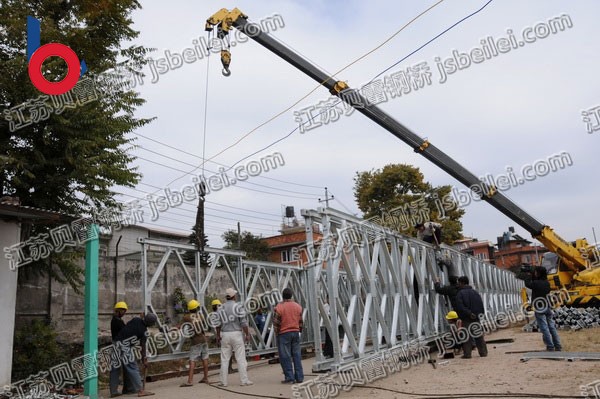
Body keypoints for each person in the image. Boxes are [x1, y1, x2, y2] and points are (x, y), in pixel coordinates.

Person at [114, 313, 158, 397]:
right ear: (151, 323)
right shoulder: (144, 332)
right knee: (133, 367)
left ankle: (128, 389)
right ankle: (141, 390)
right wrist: (144, 359)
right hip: (124, 346)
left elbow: (128, 326)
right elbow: (143, 348)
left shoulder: (136, 319)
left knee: (127, 368)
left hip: (116, 342)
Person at [215, 288, 253, 387]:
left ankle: (223, 382)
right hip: (236, 334)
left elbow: (218, 324)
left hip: (225, 334)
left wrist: (218, 335)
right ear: (234, 296)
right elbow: (243, 323)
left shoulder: (220, 308)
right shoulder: (238, 307)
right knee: (240, 358)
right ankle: (244, 381)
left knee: (224, 359)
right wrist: (247, 334)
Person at [524, 267, 562, 351]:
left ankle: (550, 346)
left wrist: (528, 274)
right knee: (551, 327)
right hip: (547, 306)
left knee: (544, 328)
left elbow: (527, 284)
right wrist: (533, 274)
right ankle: (558, 346)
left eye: (536, 272)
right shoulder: (546, 283)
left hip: (539, 307)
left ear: (539, 273)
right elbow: (535, 282)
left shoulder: (536, 283)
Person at [274, 288, 304, 384]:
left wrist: (277, 333)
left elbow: (276, 323)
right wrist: (299, 330)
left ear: (283, 296)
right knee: (297, 355)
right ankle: (299, 377)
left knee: (285, 356)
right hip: (295, 332)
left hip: (284, 334)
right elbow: (301, 321)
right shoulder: (298, 306)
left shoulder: (279, 307)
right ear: (291, 296)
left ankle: (290, 377)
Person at [455, 276, 488, 359]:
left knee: (466, 336)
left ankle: (467, 354)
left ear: (462, 283)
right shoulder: (475, 292)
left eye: (459, 283)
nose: (458, 284)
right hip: (476, 318)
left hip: (466, 318)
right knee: (479, 335)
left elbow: (460, 306)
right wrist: (479, 315)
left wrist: (469, 313)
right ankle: (483, 352)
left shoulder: (460, 294)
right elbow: (480, 304)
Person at [180, 300, 209, 387]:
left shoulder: (186, 317)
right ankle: (206, 378)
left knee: (192, 360)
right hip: (204, 339)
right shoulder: (200, 316)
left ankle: (190, 381)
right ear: (197, 308)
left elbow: (181, 327)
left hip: (196, 341)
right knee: (205, 358)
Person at [110, 302, 134, 397]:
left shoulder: (116, 319)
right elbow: (125, 331)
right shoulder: (117, 321)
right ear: (119, 310)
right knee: (123, 367)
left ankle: (115, 391)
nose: (124, 313)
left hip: (116, 345)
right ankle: (126, 389)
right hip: (119, 345)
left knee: (116, 368)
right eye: (123, 311)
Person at [211, 299, 235, 374]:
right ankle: (229, 368)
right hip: (223, 333)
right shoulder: (220, 314)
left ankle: (226, 369)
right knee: (229, 351)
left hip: (218, 334)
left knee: (224, 353)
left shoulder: (212, 315)